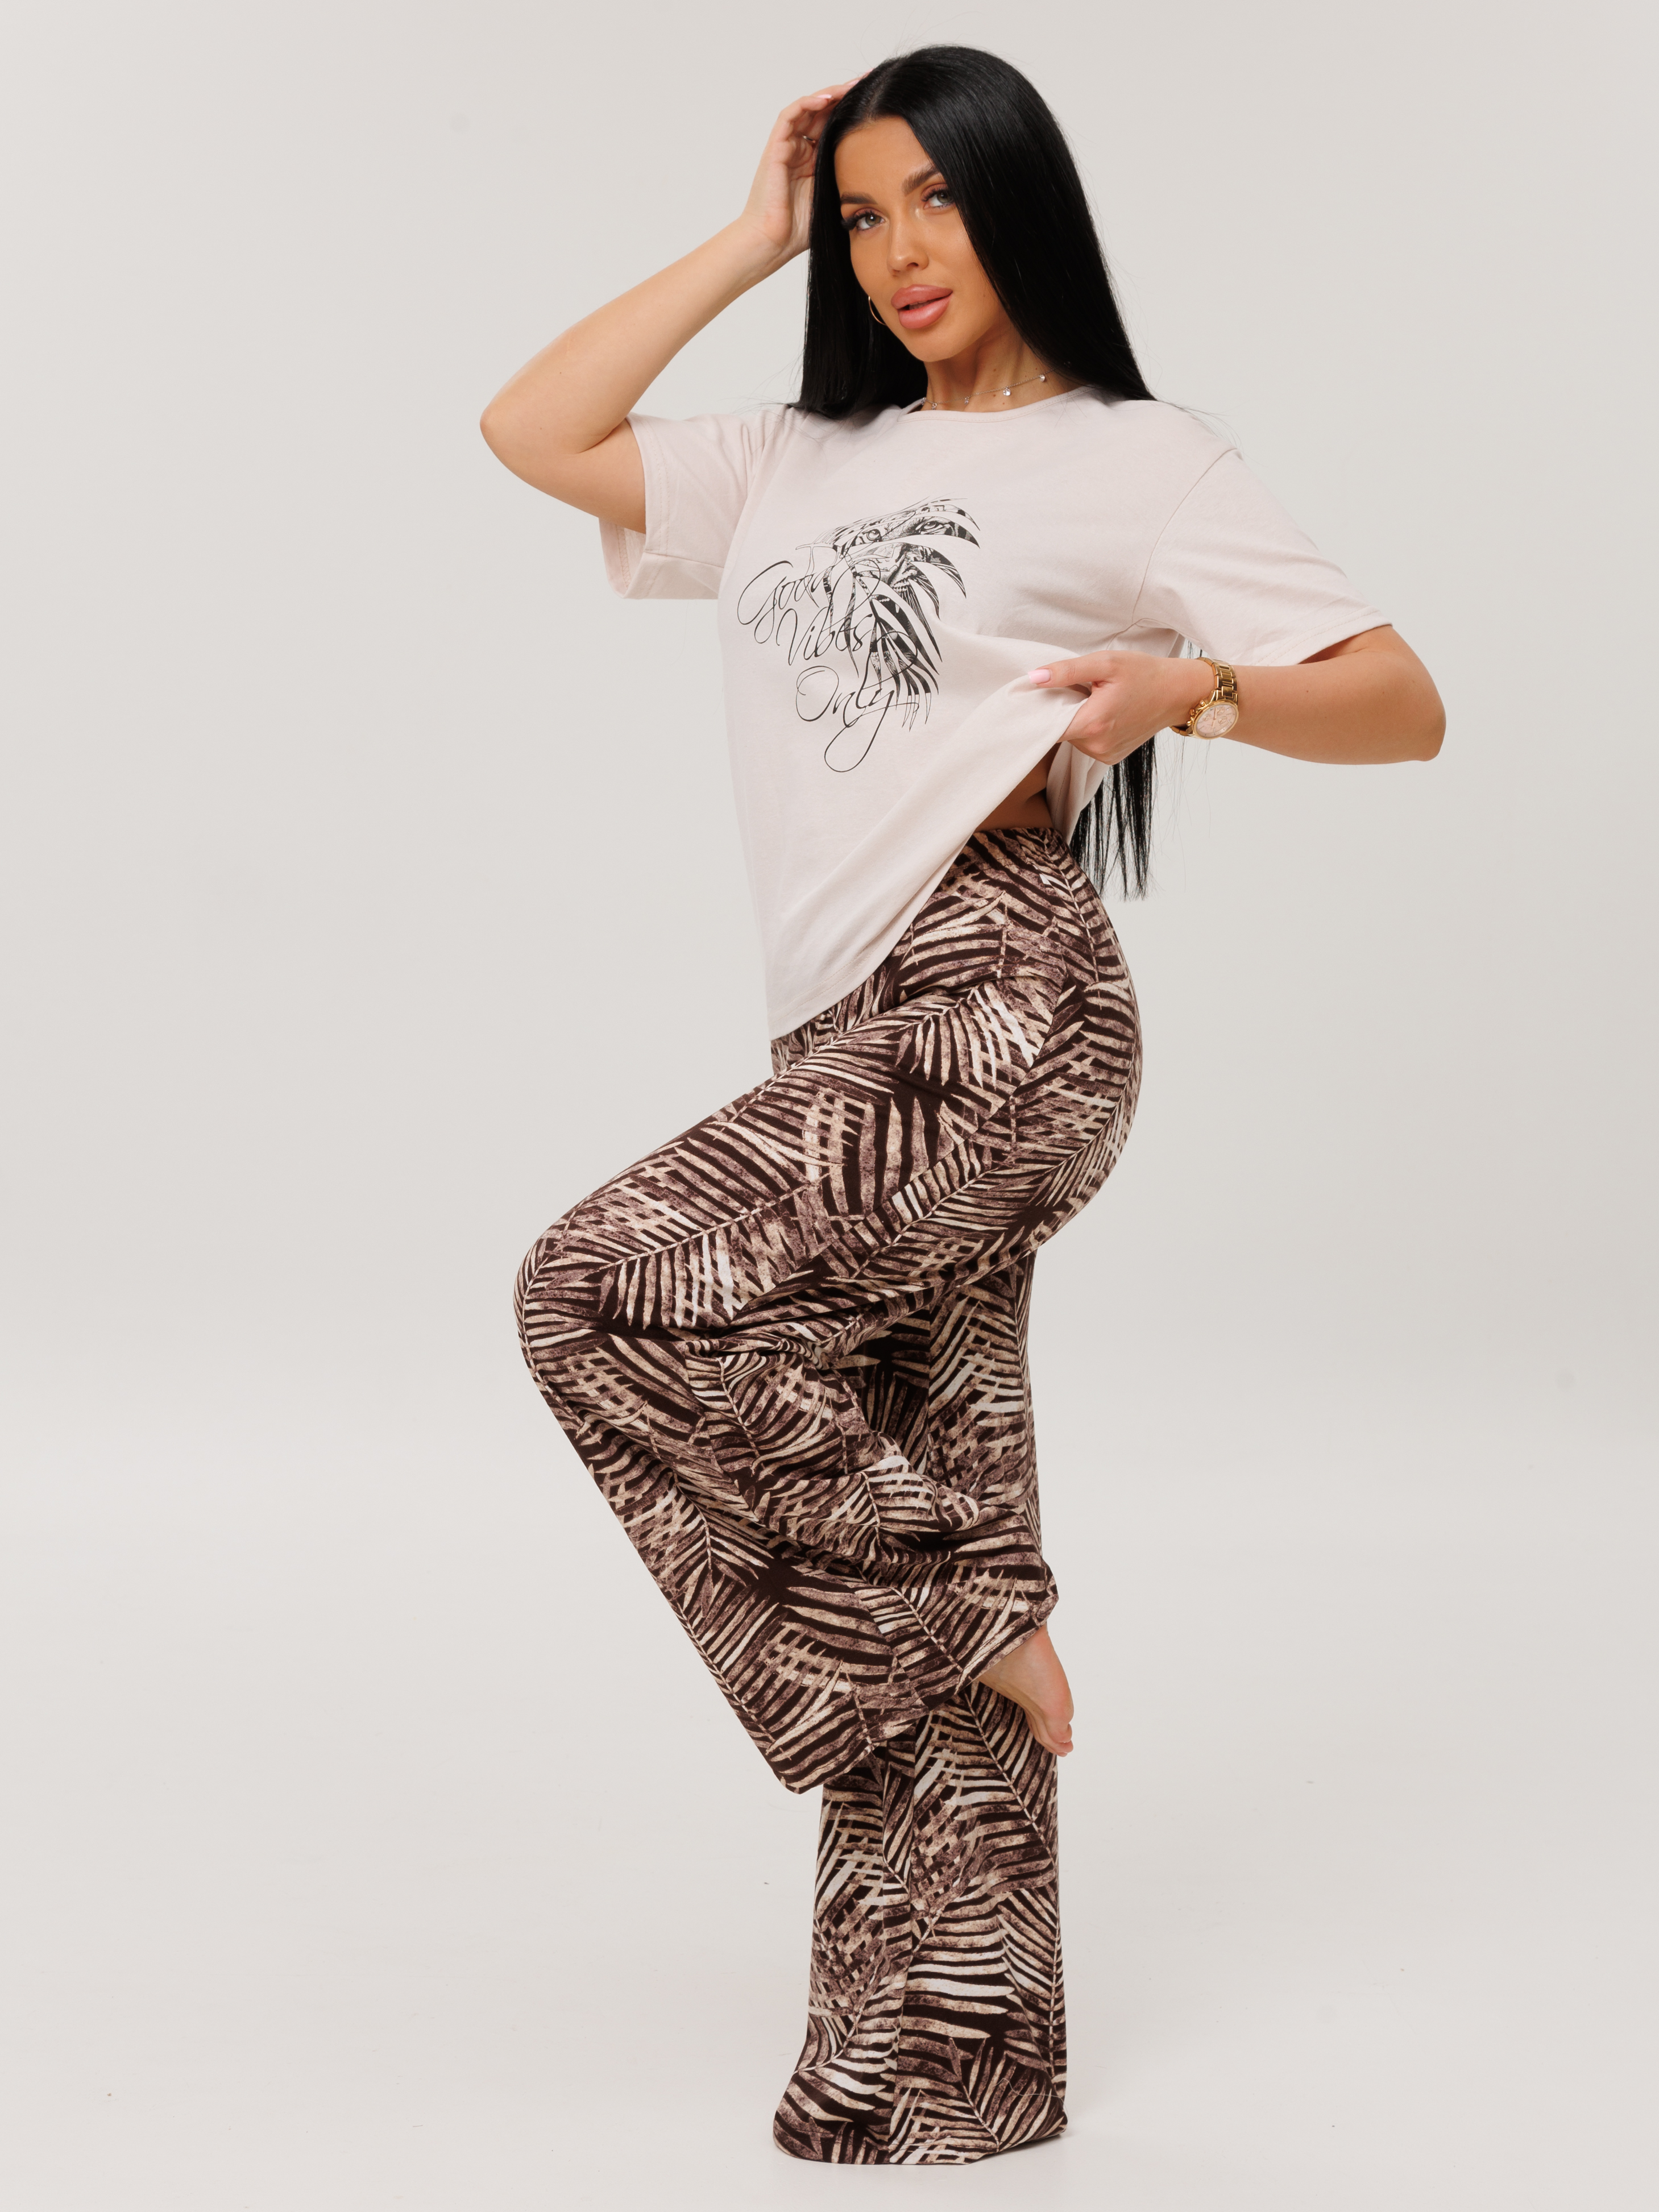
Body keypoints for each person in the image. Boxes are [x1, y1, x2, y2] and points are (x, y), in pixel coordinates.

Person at [480, 44, 1443, 2168]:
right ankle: (942, 2068)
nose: (902, 251)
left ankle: (974, 1610)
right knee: (901, 1469)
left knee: (606, 1288)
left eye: (939, 200)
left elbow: (1403, 702)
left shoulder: (1140, 458)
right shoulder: (792, 457)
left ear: (1025, 205)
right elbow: (529, 429)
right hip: (839, 1045)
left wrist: (1192, 686)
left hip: (1002, 1001)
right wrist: (751, 236)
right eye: (865, 215)